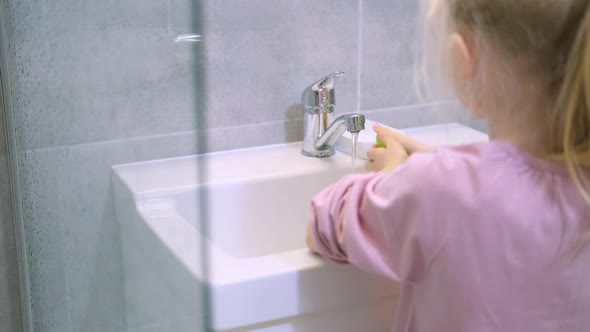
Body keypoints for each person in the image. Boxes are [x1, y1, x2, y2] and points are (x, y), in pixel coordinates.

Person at [306, 0, 590, 331]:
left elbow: (323, 225)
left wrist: (392, 175)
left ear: (464, 61)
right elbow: (518, 182)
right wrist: (437, 159)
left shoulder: (438, 187)